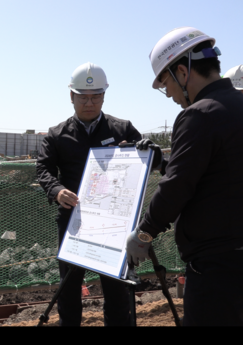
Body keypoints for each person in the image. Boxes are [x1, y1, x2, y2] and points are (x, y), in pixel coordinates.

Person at [126, 26, 243, 326]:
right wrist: (164, 161)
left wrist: (144, 233)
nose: (171, 95)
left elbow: (178, 186)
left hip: (219, 267)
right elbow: (217, 171)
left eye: (167, 85)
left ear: (183, 72)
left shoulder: (199, 114)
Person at [36, 62, 158, 326]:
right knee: (69, 289)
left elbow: (152, 160)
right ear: (71, 96)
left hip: (115, 224)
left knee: (116, 289)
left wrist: (151, 150)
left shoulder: (122, 129)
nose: (89, 103)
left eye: (96, 96)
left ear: (104, 95)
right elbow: (43, 168)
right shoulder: (57, 135)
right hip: (73, 223)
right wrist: (57, 191)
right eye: (82, 96)